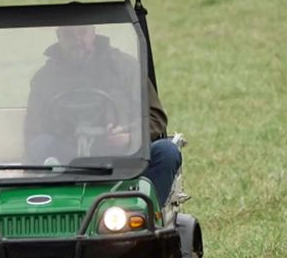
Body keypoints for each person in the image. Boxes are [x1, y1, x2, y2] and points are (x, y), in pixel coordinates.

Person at [23, 24, 181, 206]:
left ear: (93, 33)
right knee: (39, 145)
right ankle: (54, 211)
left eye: (82, 33)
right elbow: (33, 131)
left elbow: (156, 117)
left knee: (167, 152)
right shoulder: (45, 78)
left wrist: (130, 137)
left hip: (123, 157)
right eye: (68, 35)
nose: (77, 40)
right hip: (65, 160)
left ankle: (145, 213)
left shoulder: (126, 67)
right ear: (59, 37)